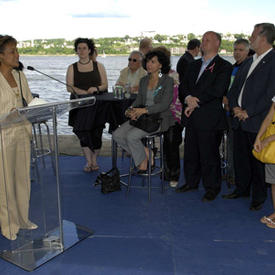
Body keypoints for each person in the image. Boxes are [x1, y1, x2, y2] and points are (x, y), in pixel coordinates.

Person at [223, 23, 275, 211]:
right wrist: (236, 107)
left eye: (253, 35)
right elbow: (235, 87)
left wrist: (248, 111)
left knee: (258, 162)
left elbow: (270, 95)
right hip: (239, 118)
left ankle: (258, 197)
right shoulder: (249, 60)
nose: (250, 38)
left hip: (258, 120)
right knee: (241, 158)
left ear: (263, 37)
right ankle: (242, 189)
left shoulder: (273, 60)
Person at [177, 31, 232, 202]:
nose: (203, 42)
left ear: (217, 44)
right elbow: (183, 87)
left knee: (209, 155)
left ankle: (211, 188)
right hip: (191, 116)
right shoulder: (193, 65)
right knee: (191, 152)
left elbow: (217, 90)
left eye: (208, 39)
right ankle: (191, 182)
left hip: (209, 117)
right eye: (202, 39)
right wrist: (187, 98)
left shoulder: (224, 66)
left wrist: (195, 102)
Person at [0, 35, 37, 240]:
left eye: (17, 50)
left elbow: (29, 101)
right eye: (12, 51)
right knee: (4, 182)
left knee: (22, 178)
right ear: (0, 56)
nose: (17, 54)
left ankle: (23, 218)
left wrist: (37, 107)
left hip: (22, 131)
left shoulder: (20, 75)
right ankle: (8, 224)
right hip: (2, 135)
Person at [113, 50, 174, 172]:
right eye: (148, 62)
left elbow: (164, 105)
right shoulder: (144, 80)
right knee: (117, 135)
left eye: (153, 62)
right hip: (142, 118)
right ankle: (147, 152)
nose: (149, 65)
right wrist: (130, 110)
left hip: (158, 119)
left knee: (131, 137)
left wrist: (144, 110)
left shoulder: (167, 81)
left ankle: (142, 163)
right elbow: (139, 99)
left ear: (160, 65)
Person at [66, 38, 108, 172]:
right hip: (79, 105)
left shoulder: (99, 66)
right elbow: (69, 87)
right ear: (76, 51)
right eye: (79, 48)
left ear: (89, 50)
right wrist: (81, 91)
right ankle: (88, 161)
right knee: (83, 132)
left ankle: (94, 160)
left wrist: (95, 88)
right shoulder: (71, 67)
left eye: (84, 48)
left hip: (97, 105)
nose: (82, 51)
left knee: (96, 133)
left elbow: (105, 85)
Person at [154, 46, 183, 188]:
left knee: (171, 143)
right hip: (159, 115)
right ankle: (166, 172)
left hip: (173, 115)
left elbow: (174, 98)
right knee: (166, 144)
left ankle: (174, 174)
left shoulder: (174, 75)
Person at [222, 39, 250, 185]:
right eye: (235, 50)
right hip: (227, 113)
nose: (237, 53)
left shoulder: (249, 68)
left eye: (240, 50)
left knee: (238, 148)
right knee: (230, 146)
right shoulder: (231, 68)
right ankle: (230, 173)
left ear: (247, 51)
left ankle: (236, 176)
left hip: (239, 114)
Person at [254, 99, 275, 227]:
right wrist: (259, 137)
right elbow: (269, 116)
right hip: (272, 147)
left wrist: (269, 139)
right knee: (274, 182)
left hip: (272, 140)